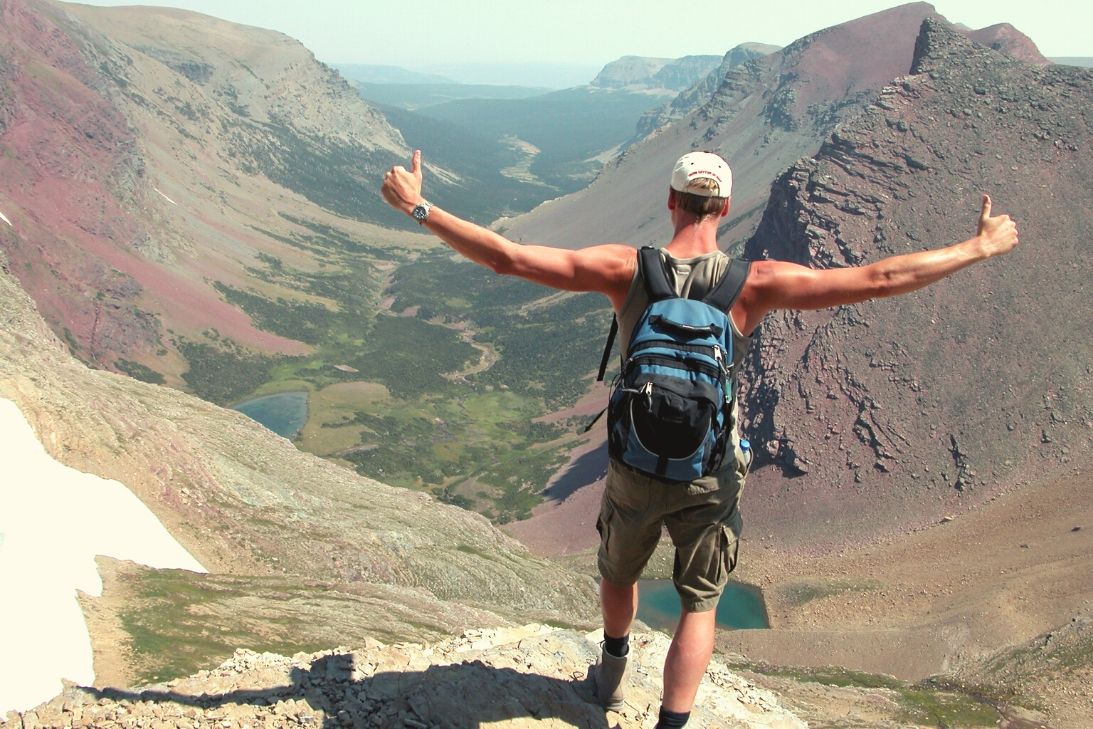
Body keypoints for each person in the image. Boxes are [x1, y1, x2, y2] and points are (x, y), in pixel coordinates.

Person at [381, 149, 1019, 728]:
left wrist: (420, 206)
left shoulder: (625, 268)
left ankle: (609, 671)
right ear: (725, 208)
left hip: (634, 463)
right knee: (699, 602)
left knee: (619, 568)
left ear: (670, 200)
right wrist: (978, 248)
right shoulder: (757, 283)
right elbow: (879, 279)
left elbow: (506, 257)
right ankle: (672, 724)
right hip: (708, 473)